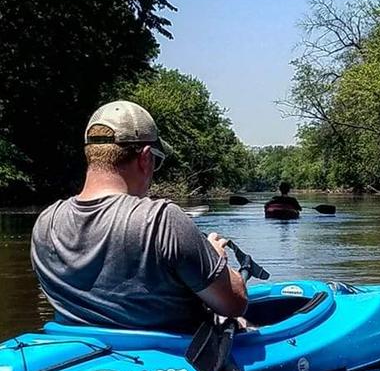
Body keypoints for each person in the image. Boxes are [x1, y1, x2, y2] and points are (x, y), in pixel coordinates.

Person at [31, 100, 248, 332]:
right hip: (166, 356)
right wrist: (217, 259)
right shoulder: (161, 220)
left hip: (81, 349)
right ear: (145, 158)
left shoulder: (45, 223)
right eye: (157, 161)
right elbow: (234, 303)